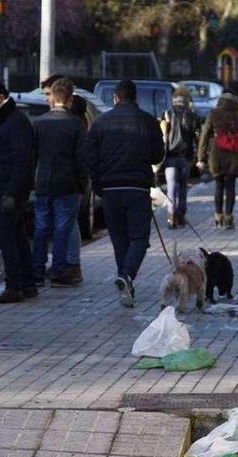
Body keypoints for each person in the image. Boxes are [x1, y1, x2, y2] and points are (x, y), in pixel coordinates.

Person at [84, 80, 164, 308]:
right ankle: (126, 277)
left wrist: (98, 179)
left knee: (119, 240)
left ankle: (125, 281)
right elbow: (158, 155)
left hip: (110, 189)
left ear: (115, 98)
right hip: (137, 188)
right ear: (135, 97)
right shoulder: (148, 121)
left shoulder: (100, 123)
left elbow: (89, 155)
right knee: (139, 239)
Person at [0, 82, 37, 304]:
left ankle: (14, 286)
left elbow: (22, 161)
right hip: (6, 189)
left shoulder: (14, 122)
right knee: (17, 236)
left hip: (10, 191)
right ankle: (27, 283)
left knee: (7, 238)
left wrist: (11, 193)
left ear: (2, 97)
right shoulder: (5, 121)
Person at [31, 78, 88, 288]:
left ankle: (36, 270)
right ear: (70, 99)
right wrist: (83, 184)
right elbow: (82, 159)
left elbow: (32, 156)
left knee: (40, 228)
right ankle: (58, 270)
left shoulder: (39, 122)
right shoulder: (76, 124)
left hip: (43, 182)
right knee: (62, 228)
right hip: (68, 183)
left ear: (53, 98)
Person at [197, 92, 238, 230]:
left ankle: (218, 216)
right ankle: (229, 217)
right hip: (235, 155)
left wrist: (201, 157)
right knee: (230, 187)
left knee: (218, 186)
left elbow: (204, 136)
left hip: (217, 155)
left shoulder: (214, 113)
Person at [160, 88, 198, 229]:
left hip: (170, 156)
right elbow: (195, 135)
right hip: (185, 156)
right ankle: (181, 215)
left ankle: (171, 216)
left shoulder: (168, 113)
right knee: (183, 187)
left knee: (171, 188)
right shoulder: (192, 115)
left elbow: (163, 134)